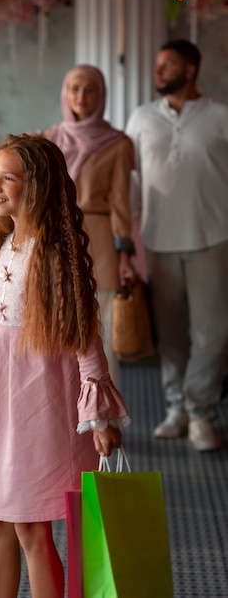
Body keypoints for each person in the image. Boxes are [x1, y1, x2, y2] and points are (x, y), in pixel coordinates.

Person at [0, 134, 130, 598]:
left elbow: (83, 336)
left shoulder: (53, 255)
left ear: (36, 187)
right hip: (1, 402)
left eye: (8, 178)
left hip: (37, 402)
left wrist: (99, 414)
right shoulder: (6, 244)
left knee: (32, 529)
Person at [125, 39, 228, 451]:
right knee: (170, 336)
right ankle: (177, 409)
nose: (159, 71)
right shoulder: (141, 118)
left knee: (212, 333)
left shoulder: (221, 117)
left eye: (168, 64)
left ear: (190, 70)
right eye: (157, 64)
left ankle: (202, 413)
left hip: (213, 238)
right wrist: (122, 243)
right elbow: (130, 180)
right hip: (158, 241)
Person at [44, 64, 136, 387]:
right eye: (74, 89)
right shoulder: (50, 138)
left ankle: (108, 429)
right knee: (56, 339)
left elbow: (121, 204)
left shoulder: (118, 144)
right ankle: (65, 431)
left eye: (89, 89)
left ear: (101, 96)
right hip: (54, 244)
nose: (81, 96)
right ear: (65, 94)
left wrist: (125, 255)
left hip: (100, 246)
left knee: (101, 340)